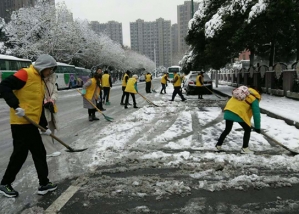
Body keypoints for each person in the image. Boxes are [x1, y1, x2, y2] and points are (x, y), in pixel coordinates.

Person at [0, 54, 58, 198]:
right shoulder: (25, 73)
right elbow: (4, 86)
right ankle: (4, 184)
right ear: (42, 67)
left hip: (32, 123)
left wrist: (43, 126)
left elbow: (38, 105)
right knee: (20, 154)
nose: (50, 72)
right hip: (20, 122)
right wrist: (15, 105)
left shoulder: (39, 80)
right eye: (49, 69)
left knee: (39, 153)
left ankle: (44, 183)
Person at [215, 86, 261, 154]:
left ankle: (218, 145)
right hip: (238, 113)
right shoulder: (254, 98)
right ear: (258, 92)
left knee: (227, 129)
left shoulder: (241, 91)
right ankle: (245, 148)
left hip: (228, 110)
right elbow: (256, 114)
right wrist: (257, 127)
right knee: (247, 129)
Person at [42, 72, 61, 157]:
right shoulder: (37, 81)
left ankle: (51, 145)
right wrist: (44, 101)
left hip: (51, 106)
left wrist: (52, 100)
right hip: (41, 108)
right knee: (44, 127)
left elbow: (55, 92)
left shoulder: (52, 80)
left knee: (52, 125)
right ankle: (48, 150)